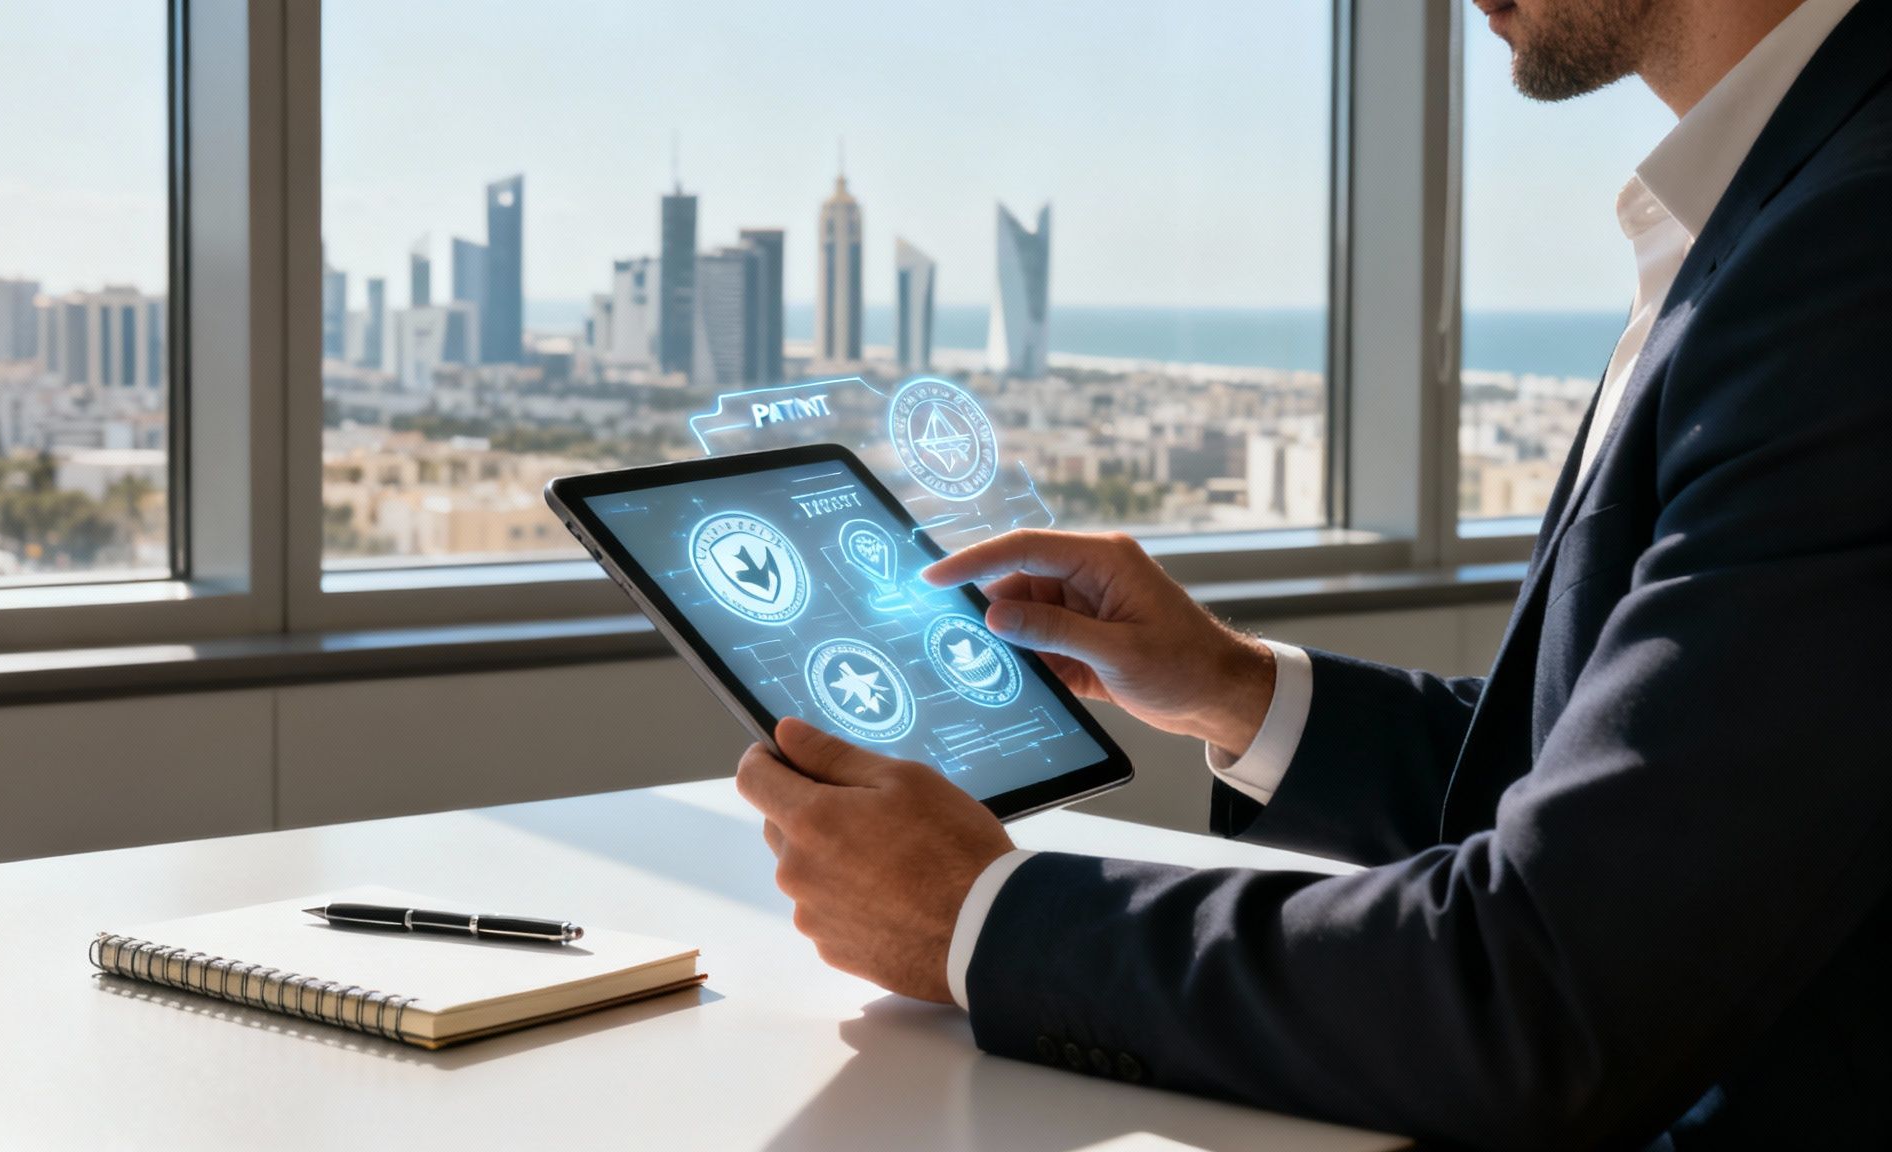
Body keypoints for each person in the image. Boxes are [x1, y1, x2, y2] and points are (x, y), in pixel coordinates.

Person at [735, 0, 1892, 1145]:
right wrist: (1229, 685)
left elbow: (1544, 989)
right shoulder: (1773, 204)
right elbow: (1624, 794)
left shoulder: (1849, 246)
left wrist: (978, 919)